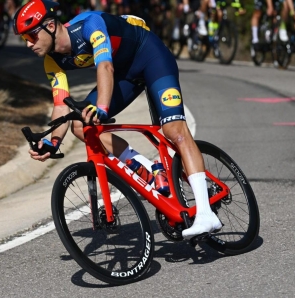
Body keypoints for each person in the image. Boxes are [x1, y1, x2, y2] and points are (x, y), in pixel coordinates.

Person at [13, 0, 222, 238]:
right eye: (23, 39)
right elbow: (61, 103)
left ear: (50, 26)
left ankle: (206, 214)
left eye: (30, 36)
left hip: (150, 56)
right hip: (125, 73)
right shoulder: (52, 61)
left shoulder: (89, 25)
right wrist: (52, 142)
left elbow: (105, 68)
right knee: (81, 125)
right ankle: (150, 169)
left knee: (174, 130)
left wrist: (102, 107)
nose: (28, 44)